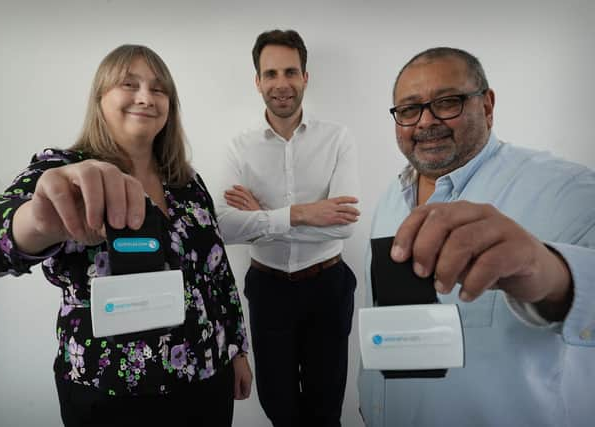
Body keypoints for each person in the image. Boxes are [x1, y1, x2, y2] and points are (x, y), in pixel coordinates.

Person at [0, 44, 252, 427]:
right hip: (108, 394)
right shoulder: (65, 171)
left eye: (159, 89)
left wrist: (237, 350)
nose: (146, 97)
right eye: (129, 84)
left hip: (206, 382)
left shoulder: (187, 182)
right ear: (100, 97)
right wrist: (37, 222)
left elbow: (218, 274)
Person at [358, 47, 595, 426]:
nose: (425, 122)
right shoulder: (391, 196)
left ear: (487, 105)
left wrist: (551, 273)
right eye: (408, 110)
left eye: (447, 102)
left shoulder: (567, 188)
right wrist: (371, 402)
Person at [216, 29, 360, 427]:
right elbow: (225, 228)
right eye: (272, 73)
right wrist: (302, 214)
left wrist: (263, 216)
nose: (282, 84)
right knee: (279, 408)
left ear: (305, 77)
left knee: (326, 408)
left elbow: (345, 226)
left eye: (291, 72)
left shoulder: (337, 138)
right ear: (258, 81)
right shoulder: (237, 148)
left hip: (327, 287)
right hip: (269, 291)